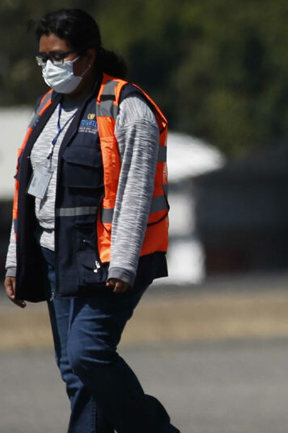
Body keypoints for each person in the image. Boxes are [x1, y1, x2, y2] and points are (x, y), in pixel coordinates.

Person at [4, 9, 178, 433]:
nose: (49, 66)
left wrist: (123, 262)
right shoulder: (47, 106)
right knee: (74, 371)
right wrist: (15, 258)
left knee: (88, 354)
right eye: (43, 57)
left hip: (107, 258)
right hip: (56, 255)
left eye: (58, 57)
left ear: (88, 56)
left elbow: (135, 190)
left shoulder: (126, 106)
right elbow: (28, 188)